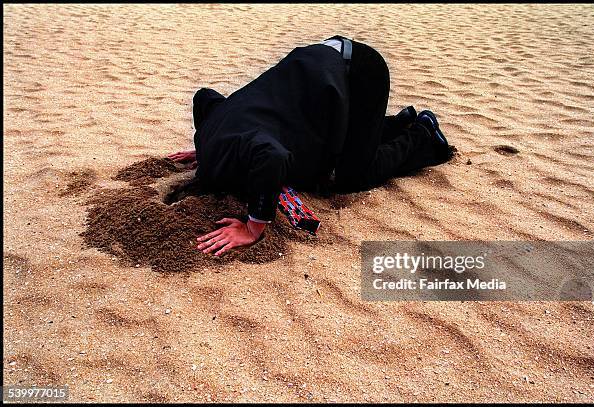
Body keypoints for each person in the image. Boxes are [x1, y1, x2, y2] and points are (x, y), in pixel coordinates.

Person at [168, 36, 453, 256]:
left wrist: (252, 227)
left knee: (352, 176)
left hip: (361, 75)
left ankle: (423, 132)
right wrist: (204, 145)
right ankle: (392, 125)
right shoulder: (211, 132)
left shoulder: (248, 150)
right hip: (324, 67)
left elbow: (273, 157)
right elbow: (204, 97)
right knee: (336, 142)